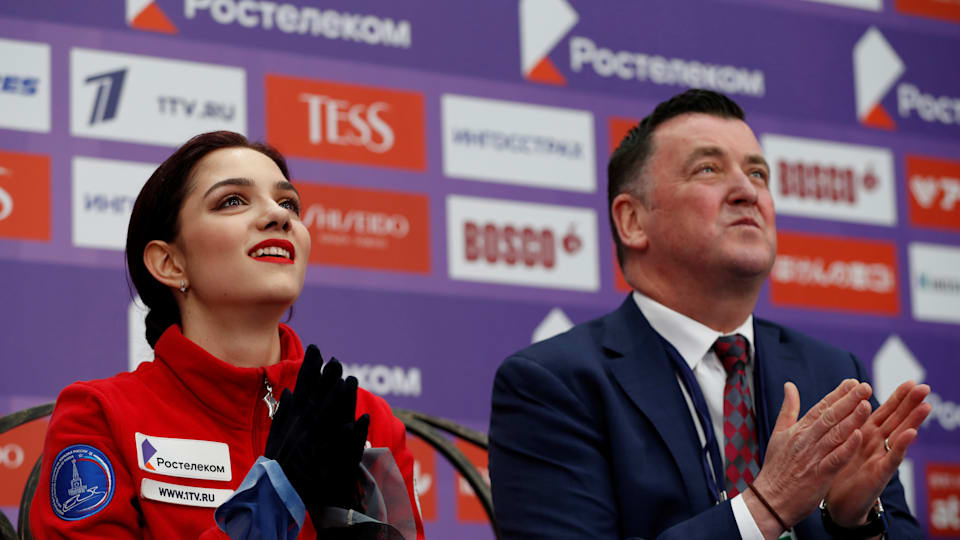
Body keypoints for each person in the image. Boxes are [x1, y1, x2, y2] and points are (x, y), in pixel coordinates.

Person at [488, 89, 931, 540]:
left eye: (758, 173)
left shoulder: (833, 375)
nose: (747, 191)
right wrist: (765, 506)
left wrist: (855, 525)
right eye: (708, 169)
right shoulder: (555, 385)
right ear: (633, 222)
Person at [30, 131, 425, 539]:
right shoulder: (100, 415)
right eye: (232, 201)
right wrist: (270, 501)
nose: (279, 216)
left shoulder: (367, 419)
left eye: (288, 203)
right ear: (169, 263)